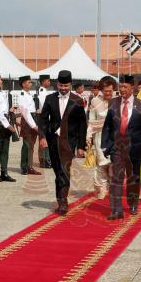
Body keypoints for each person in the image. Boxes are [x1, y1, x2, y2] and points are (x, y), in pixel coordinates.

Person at [101, 74, 141, 220]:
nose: (122, 89)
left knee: (133, 178)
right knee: (116, 179)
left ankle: (133, 204)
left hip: (135, 148)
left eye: (125, 86)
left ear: (132, 88)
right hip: (117, 148)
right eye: (120, 86)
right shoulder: (113, 103)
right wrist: (105, 145)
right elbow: (107, 126)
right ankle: (116, 210)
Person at [38, 70, 87, 215]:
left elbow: (82, 125)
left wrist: (81, 146)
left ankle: (63, 202)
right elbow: (43, 120)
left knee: (64, 170)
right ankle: (60, 199)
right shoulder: (50, 99)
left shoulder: (77, 100)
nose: (63, 88)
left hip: (69, 142)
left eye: (66, 86)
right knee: (57, 171)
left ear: (70, 85)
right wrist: (42, 137)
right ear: (57, 84)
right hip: (53, 141)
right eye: (61, 85)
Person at [87, 76, 116, 199]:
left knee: (114, 164)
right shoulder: (95, 101)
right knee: (101, 164)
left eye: (110, 91)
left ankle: (113, 187)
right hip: (100, 136)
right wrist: (88, 136)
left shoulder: (118, 100)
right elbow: (91, 120)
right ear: (101, 90)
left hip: (115, 137)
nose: (108, 93)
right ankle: (102, 189)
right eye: (105, 91)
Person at [0, 72, 17, 182]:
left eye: (1, 79)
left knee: (5, 151)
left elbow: (3, 110)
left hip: (4, 122)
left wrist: (10, 110)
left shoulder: (1, 93)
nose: (1, 81)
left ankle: (4, 173)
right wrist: (8, 125)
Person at [17, 75, 41, 175]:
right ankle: (24, 167)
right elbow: (25, 112)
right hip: (28, 122)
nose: (31, 84)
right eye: (29, 82)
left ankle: (29, 166)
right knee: (27, 145)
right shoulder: (22, 95)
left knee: (31, 145)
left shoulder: (28, 94)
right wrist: (33, 125)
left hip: (33, 118)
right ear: (23, 84)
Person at [36, 74, 53, 169]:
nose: (49, 82)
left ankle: (46, 160)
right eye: (48, 81)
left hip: (46, 118)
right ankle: (45, 161)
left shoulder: (44, 91)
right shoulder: (42, 92)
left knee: (46, 139)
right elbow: (44, 106)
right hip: (44, 119)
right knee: (44, 140)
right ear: (43, 82)